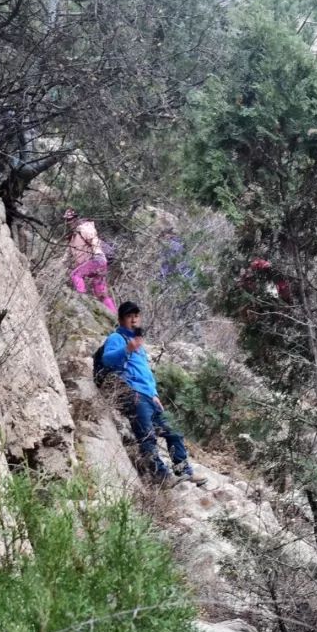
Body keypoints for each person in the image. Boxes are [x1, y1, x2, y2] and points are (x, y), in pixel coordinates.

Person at [102, 301, 208, 487]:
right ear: (121, 319)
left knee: (174, 431)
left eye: (136, 316)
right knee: (147, 435)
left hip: (149, 396)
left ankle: (183, 470)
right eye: (129, 316)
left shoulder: (139, 344)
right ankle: (160, 477)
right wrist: (127, 349)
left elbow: (145, 373)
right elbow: (107, 359)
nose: (133, 319)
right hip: (133, 394)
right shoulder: (117, 338)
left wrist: (154, 394)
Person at [64, 208, 117, 315]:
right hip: (98, 263)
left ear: (76, 218)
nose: (69, 222)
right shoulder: (72, 236)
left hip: (96, 260)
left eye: (71, 219)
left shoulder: (84, 228)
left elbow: (94, 239)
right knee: (100, 293)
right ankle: (114, 315)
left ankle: (82, 298)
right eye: (67, 220)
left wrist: (97, 253)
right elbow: (67, 256)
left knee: (75, 275)